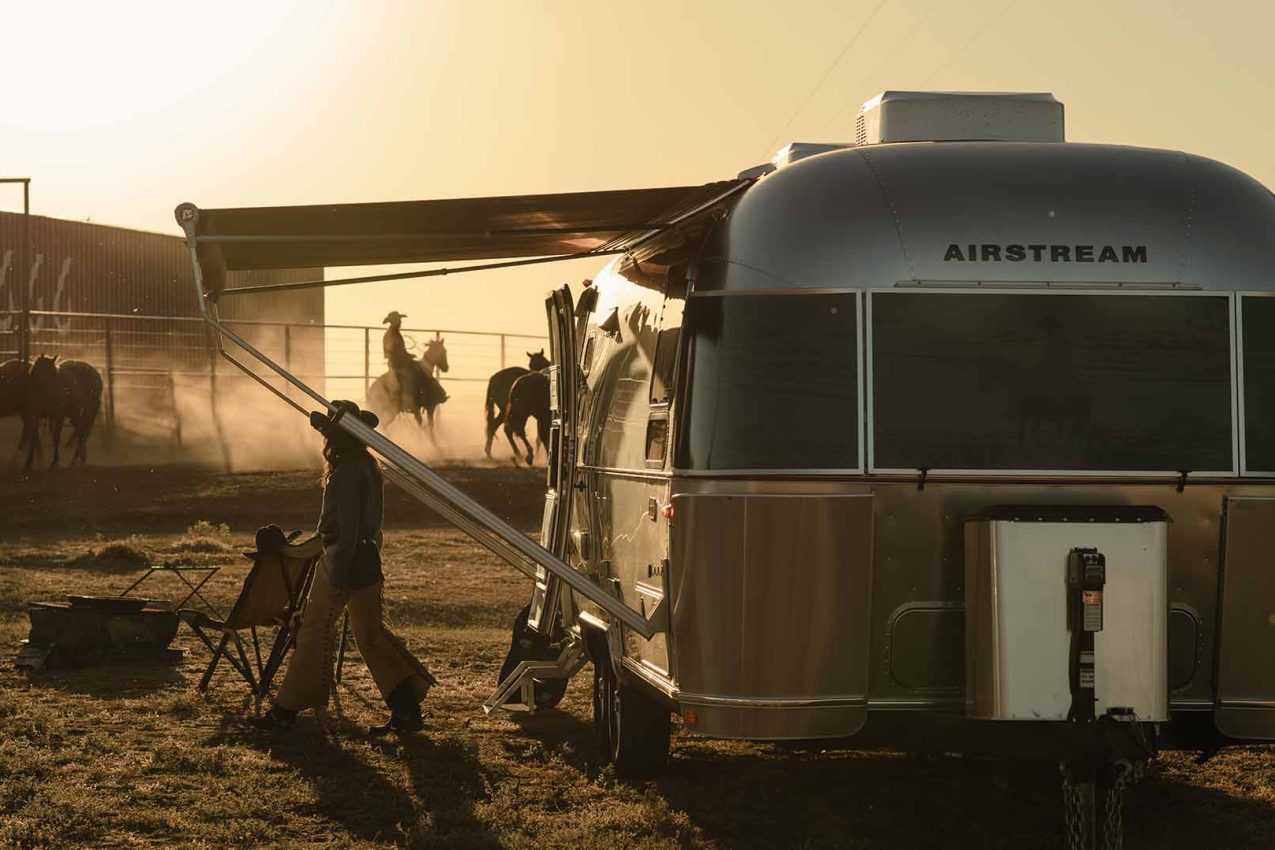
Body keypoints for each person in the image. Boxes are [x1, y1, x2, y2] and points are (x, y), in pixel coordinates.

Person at [253, 400, 435, 734]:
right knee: (371, 637)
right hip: (365, 558)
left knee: (313, 630)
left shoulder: (348, 472)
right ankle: (407, 710)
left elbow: (346, 530)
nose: (325, 439)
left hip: (343, 559)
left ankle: (285, 711)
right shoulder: (365, 466)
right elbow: (369, 530)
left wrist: (338, 573)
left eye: (329, 432)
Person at [382, 311, 424, 410]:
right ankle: (411, 398)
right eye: (398, 320)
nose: (400, 322)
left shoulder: (394, 333)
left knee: (417, 368)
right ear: (394, 321)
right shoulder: (391, 334)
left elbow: (399, 350)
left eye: (400, 320)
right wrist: (405, 356)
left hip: (399, 361)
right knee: (412, 373)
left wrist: (407, 355)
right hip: (396, 363)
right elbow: (392, 350)